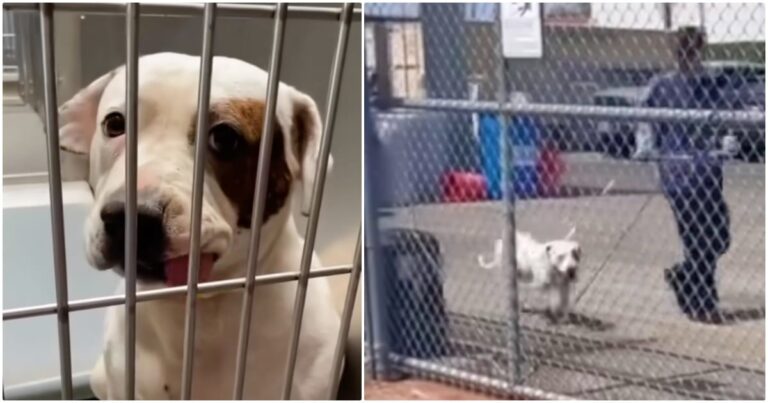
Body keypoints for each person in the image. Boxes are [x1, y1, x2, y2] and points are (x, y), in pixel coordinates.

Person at [643, 26, 730, 324]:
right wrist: (651, 156)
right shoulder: (662, 86)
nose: (689, 57)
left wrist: (726, 142)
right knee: (696, 239)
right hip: (679, 175)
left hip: (709, 172)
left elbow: (723, 121)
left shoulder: (711, 85)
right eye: (684, 51)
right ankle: (703, 301)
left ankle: (683, 278)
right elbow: (648, 125)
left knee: (719, 237)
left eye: (693, 51)